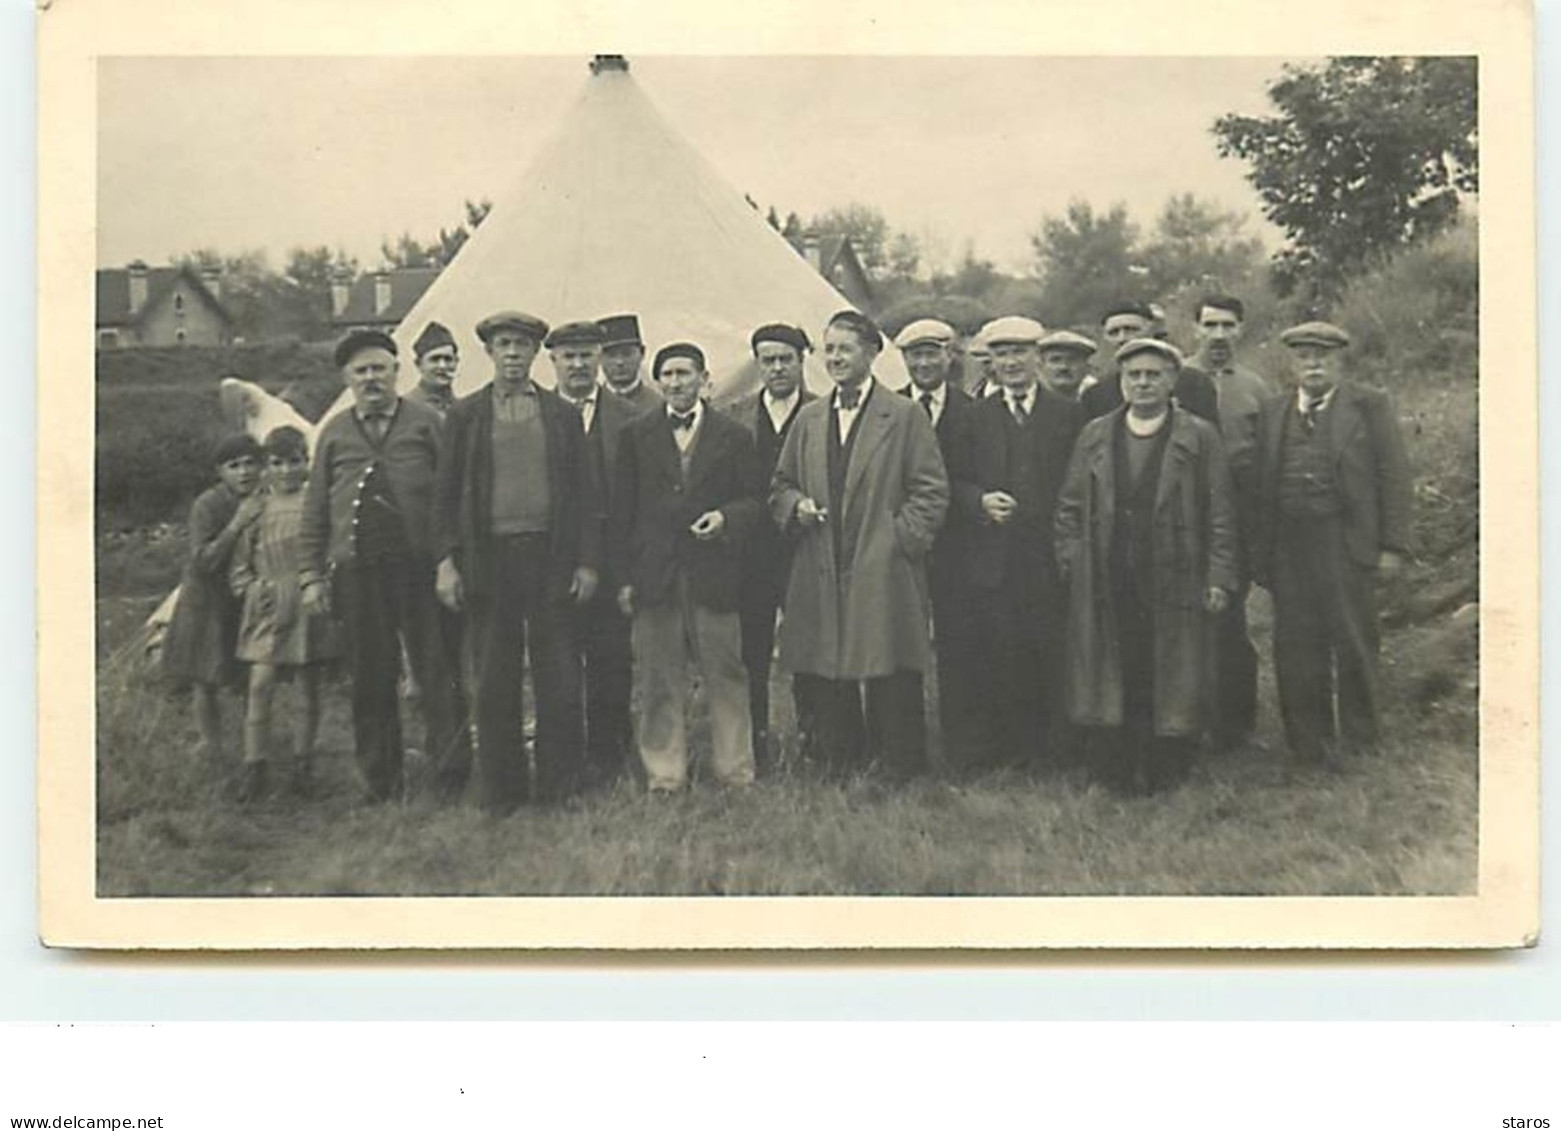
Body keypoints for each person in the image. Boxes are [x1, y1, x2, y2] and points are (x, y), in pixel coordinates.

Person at [770, 310, 949, 779]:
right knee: (827, 665)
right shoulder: (809, 418)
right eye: (829, 350)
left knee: (888, 665)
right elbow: (781, 483)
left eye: (845, 349)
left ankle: (899, 765)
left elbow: (930, 490)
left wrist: (897, 540)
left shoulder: (905, 415)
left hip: (881, 563)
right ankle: (837, 759)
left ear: (872, 353)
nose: (835, 358)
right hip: (821, 560)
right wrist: (797, 507)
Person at [434, 311, 600, 815]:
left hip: (550, 558)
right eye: (504, 344)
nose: (513, 354)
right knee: (493, 678)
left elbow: (585, 496)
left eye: (522, 345)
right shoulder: (465, 415)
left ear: (535, 354)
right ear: (488, 351)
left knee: (559, 678)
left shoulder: (561, 415)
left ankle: (560, 785)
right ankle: (501, 791)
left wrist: (587, 563)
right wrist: (446, 562)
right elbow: (444, 497)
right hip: (489, 561)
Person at [1055, 337, 1237, 794]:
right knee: (1113, 666)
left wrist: (1217, 575)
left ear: (1172, 381)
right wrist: (1073, 559)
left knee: (1171, 668)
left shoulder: (1198, 436)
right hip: (1108, 573)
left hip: (1175, 573)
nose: (1143, 383)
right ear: (1121, 381)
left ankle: (1167, 768)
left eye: (1153, 375)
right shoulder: (1095, 433)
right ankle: (1113, 769)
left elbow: (1221, 513)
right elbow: (1070, 506)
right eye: (1134, 375)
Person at [300, 329, 470, 803]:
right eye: (361, 371)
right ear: (347, 378)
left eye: (379, 368)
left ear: (398, 371)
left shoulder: (426, 423)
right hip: (358, 575)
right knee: (371, 677)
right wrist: (311, 576)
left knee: (439, 672)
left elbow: (451, 497)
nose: (371, 378)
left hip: (421, 570)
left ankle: (452, 772)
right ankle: (380, 780)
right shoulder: (333, 433)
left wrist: (449, 562)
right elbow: (315, 508)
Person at [1253, 320, 1411, 769]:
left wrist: (1392, 546)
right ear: (1292, 363)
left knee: (1355, 640)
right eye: (1304, 355)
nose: (1313, 363)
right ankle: (1308, 743)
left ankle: (1361, 738)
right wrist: (1261, 554)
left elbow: (1394, 478)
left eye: (1323, 355)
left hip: (1346, 542)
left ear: (1340, 361)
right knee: (1296, 646)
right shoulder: (1273, 411)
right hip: (1289, 546)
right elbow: (1260, 485)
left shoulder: (1369, 406)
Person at [613, 342, 760, 792]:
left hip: (713, 575)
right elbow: (622, 513)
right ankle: (665, 774)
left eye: (684, 373)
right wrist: (624, 579)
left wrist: (725, 519)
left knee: (726, 674)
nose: (676, 383)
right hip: (655, 577)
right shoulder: (635, 436)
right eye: (668, 375)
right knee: (659, 678)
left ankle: (735, 771)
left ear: (703, 378)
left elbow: (754, 501)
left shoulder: (734, 436)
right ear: (659, 382)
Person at [955, 315, 1083, 773]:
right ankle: (1012, 747)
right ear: (991, 361)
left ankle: (1058, 749)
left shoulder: (1068, 413)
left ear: (1038, 358)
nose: (1011, 362)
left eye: (1020, 352)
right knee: (1002, 651)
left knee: (1053, 649)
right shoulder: (976, 416)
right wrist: (980, 501)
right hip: (996, 557)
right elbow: (955, 481)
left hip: (1050, 556)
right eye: (1002, 353)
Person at [229, 425, 341, 802]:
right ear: (266, 466)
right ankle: (254, 767)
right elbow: (240, 565)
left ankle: (302, 766)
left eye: (294, 461)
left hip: (308, 598)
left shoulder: (317, 503)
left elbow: (331, 549)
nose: (286, 470)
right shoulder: (256, 509)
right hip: (269, 603)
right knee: (260, 683)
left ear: (307, 463)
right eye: (277, 463)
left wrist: (323, 583)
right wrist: (251, 588)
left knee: (307, 687)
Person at [1184, 294, 1275, 750]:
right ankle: (1186, 718)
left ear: (1240, 329)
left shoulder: (1256, 389)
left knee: (1230, 617)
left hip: (1237, 510)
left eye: (1228, 326)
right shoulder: (1173, 377)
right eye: (1210, 325)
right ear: (1195, 329)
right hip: (1181, 511)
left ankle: (1235, 724)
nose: (1218, 335)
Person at [548, 319, 635, 788]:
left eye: (586, 355)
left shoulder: (630, 417)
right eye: (568, 356)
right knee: (558, 661)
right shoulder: (537, 414)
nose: (579, 365)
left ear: (599, 358)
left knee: (612, 661)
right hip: (556, 562)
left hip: (613, 556)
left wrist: (626, 572)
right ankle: (564, 757)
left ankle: (611, 754)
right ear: (554, 362)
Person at [892, 318, 981, 768]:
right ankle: (906, 749)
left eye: (932, 353)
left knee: (958, 646)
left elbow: (973, 478)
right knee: (902, 646)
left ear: (950, 357)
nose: (924, 363)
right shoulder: (887, 411)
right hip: (901, 546)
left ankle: (961, 749)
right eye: (914, 354)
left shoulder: (973, 412)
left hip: (959, 547)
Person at [728, 323, 816, 768]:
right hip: (749, 555)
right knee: (751, 653)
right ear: (757, 364)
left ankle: (818, 742)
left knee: (810, 648)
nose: (777, 368)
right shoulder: (734, 414)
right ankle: (753, 746)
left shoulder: (822, 411)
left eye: (786, 359)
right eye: (768, 360)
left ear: (802, 362)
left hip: (805, 548)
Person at [160, 432, 263, 769]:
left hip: (245, 596)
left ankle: (255, 743)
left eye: (250, 464)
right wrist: (237, 523)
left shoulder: (266, 498)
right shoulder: (208, 504)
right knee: (205, 676)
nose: (244, 472)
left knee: (251, 672)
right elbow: (203, 560)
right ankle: (211, 743)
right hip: (207, 599)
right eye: (234, 466)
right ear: (220, 471)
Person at [1082, 300, 1217, 423]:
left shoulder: (1193, 383)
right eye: (1114, 332)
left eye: (1131, 329)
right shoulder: (1096, 395)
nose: (1122, 338)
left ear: (1152, 331)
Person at [597, 313, 665, 415]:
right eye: (611, 355)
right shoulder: (591, 405)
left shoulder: (658, 405)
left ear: (642, 354)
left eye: (627, 354)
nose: (619, 362)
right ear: (599, 358)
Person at [405, 321, 460, 417]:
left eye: (448, 359)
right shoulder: (405, 409)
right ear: (418, 364)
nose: (442, 366)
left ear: (456, 362)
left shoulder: (465, 408)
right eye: (434, 359)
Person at [1036, 329, 1099, 401]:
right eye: (1055, 360)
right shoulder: (1028, 405)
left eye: (1073, 360)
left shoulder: (1098, 402)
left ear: (1087, 367)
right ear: (1040, 366)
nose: (1064, 367)